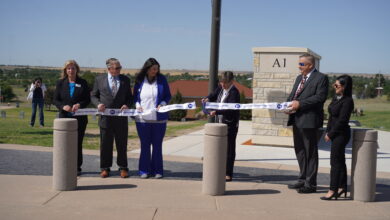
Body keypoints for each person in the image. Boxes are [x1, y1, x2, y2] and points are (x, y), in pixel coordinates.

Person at [286, 53, 329, 193]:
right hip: (296, 120)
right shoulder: (300, 78)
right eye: (299, 64)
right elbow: (294, 95)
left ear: (310, 65)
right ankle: (302, 179)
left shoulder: (321, 78)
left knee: (310, 152)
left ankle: (311, 184)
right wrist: (287, 105)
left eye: (302, 64)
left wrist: (300, 104)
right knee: (300, 151)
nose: (299, 66)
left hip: (310, 121)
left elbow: (319, 98)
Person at [91, 58, 133, 178]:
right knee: (105, 144)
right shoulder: (99, 79)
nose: (119, 70)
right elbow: (93, 95)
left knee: (122, 144)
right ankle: (105, 168)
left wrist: (127, 105)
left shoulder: (125, 80)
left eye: (120, 67)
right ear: (109, 69)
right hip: (105, 118)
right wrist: (98, 104)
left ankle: (123, 167)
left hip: (121, 119)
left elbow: (130, 97)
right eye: (117, 68)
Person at [133, 58, 171, 179]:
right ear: (147, 69)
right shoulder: (139, 80)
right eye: (153, 68)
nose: (156, 71)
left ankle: (157, 170)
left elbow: (168, 95)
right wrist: (138, 105)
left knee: (157, 145)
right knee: (144, 145)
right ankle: (144, 170)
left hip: (159, 119)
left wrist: (163, 103)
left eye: (157, 68)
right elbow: (135, 97)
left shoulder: (162, 79)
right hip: (142, 119)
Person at [53, 60, 91, 176]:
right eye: (68, 68)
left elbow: (87, 99)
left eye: (73, 68)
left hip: (80, 119)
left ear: (77, 69)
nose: (71, 70)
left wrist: (79, 104)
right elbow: (55, 99)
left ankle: (77, 167)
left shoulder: (83, 82)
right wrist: (62, 106)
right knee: (64, 144)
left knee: (77, 143)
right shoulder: (60, 83)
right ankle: (64, 165)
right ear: (65, 70)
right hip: (64, 119)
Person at [202, 71, 240, 182]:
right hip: (219, 123)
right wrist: (207, 98)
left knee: (229, 149)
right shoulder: (220, 88)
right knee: (219, 148)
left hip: (230, 124)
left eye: (225, 83)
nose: (223, 85)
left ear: (231, 81)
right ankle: (219, 170)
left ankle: (228, 173)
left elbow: (230, 110)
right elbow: (213, 95)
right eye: (221, 82)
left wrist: (216, 111)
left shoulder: (234, 92)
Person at [321, 75, 354, 200]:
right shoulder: (336, 97)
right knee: (340, 161)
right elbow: (331, 117)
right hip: (334, 132)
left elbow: (342, 121)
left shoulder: (348, 101)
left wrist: (331, 134)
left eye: (337, 85)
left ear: (344, 87)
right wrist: (327, 131)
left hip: (341, 134)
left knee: (334, 162)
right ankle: (342, 187)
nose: (334, 87)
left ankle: (332, 190)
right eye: (334, 85)